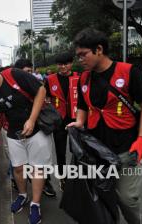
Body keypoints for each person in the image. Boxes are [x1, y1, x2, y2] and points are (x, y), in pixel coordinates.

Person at [67, 28, 142, 224]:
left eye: (83, 54)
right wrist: (79, 122)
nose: (80, 59)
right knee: (101, 197)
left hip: (126, 149)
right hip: (96, 151)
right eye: (78, 55)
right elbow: (82, 105)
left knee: (127, 198)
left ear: (99, 49)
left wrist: (141, 140)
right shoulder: (84, 78)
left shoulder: (128, 71)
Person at [0, 67, 54, 224]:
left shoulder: (14, 75)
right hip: (14, 134)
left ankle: (35, 204)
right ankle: (22, 195)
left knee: (37, 168)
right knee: (18, 168)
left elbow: (41, 90)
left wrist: (32, 120)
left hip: (37, 131)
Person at [14, 59, 57, 197]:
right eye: (27, 72)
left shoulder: (35, 84)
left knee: (40, 162)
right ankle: (21, 188)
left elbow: (44, 98)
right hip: (19, 131)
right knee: (19, 163)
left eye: (31, 71)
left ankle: (44, 184)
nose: (30, 75)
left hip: (39, 127)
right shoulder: (12, 87)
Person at [45, 52, 79, 192]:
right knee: (60, 151)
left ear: (71, 63)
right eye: (60, 64)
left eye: (66, 63)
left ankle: (77, 177)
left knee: (77, 150)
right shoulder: (50, 79)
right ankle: (63, 178)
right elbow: (46, 99)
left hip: (75, 119)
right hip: (58, 121)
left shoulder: (78, 77)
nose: (63, 66)